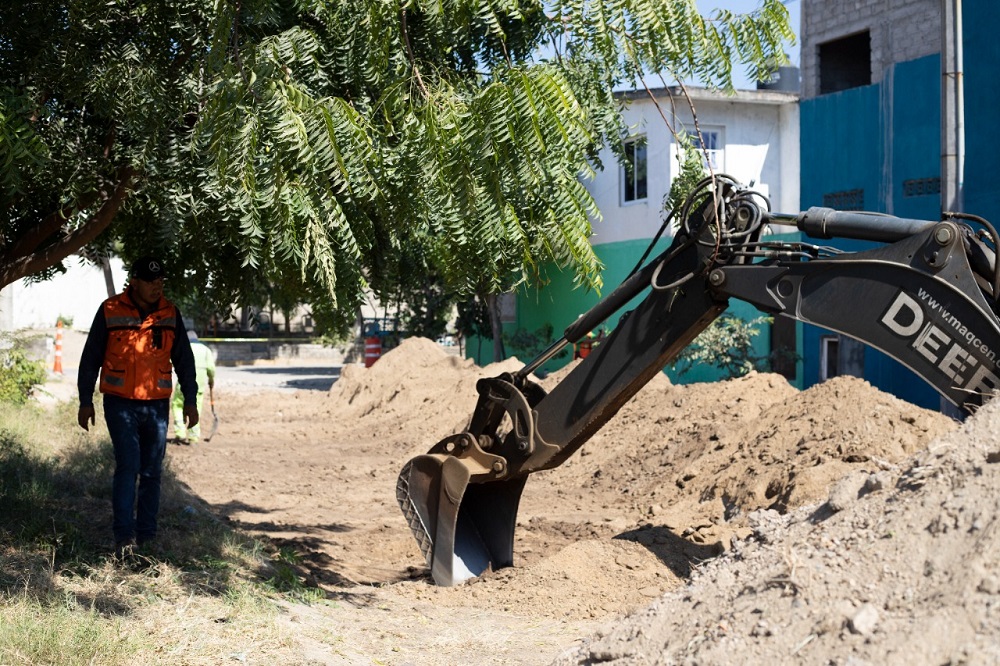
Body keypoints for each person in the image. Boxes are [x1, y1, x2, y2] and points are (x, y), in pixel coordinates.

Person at [77, 255, 199, 558]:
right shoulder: (110, 310)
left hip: (156, 406)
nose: (157, 286)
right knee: (128, 466)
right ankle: (123, 537)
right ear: (135, 282)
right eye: (150, 281)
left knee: (152, 471)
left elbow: (185, 361)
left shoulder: (170, 313)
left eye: (160, 281)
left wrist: (191, 400)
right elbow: (90, 358)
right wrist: (85, 401)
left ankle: (147, 537)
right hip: (120, 404)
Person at [171, 329, 215, 444]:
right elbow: (211, 369)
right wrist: (211, 381)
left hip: (183, 385)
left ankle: (180, 432)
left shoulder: (183, 348)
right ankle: (193, 437)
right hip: (199, 386)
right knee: (196, 408)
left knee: (177, 405)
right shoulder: (206, 350)